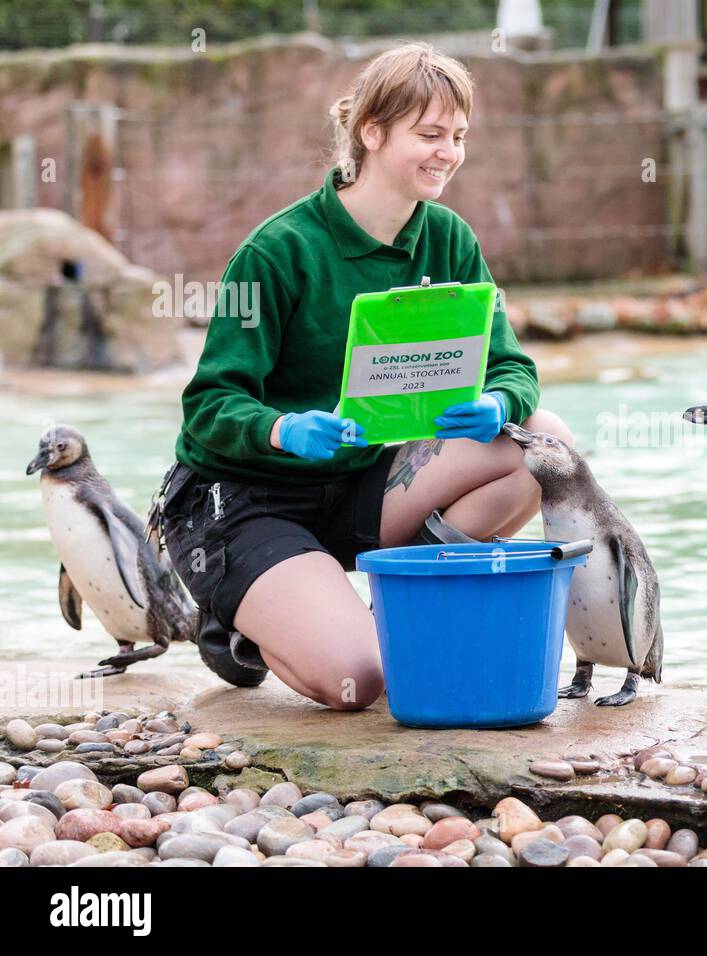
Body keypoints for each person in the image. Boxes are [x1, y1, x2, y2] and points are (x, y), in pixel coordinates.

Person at [160, 43, 571, 711]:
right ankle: (241, 618)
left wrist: (500, 401)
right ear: (372, 134)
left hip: (360, 482)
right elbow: (208, 405)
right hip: (246, 499)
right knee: (363, 682)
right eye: (430, 134)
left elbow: (513, 365)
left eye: (459, 136)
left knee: (546, 446)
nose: (448, 152)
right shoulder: (279, 249)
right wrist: (283, 428)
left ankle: (407, 610)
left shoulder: (449, 239)